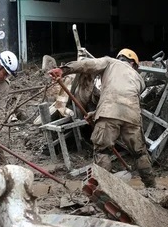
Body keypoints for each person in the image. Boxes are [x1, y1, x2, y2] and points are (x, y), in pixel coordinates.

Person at [48, 49, 156, 188]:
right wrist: (94, 114)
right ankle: (151, 187)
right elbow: (123, 99)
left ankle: (105, 188)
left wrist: (64, 69)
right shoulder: (139, 79)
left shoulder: (110, 62)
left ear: (120, 58)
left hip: (108, 112)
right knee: (140, 153)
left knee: (102, 150)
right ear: (134, 65)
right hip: (132, 116)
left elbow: (87, 65)